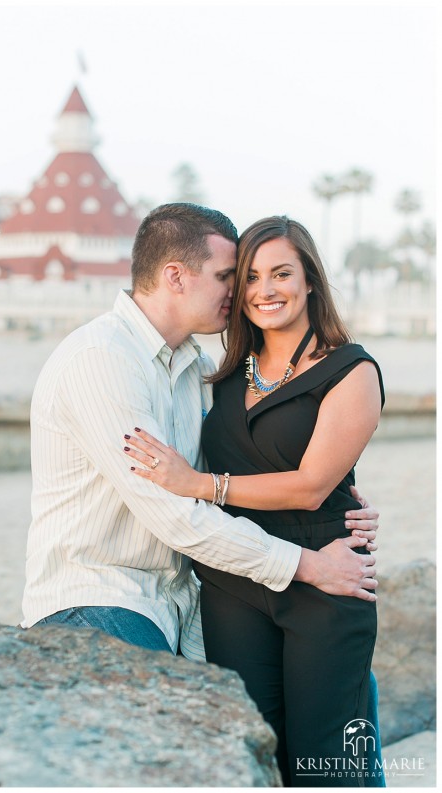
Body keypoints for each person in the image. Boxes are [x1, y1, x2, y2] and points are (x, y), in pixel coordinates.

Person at [22, 203, 380, 774]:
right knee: (199, 757)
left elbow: (246, 466)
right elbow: (176, 514)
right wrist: (308, 564)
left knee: (335, 734)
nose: (241, 293)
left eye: (270, 274)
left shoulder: (192, 366)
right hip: (100, 597)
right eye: (230, 277)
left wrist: (337, 496)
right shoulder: (102, 360)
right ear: (175, 276)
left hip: (178, 602)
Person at [123, 214, 385, 787]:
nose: (266, 290)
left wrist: (200, 484)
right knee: (253, 755)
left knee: (324, 761)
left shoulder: (351, 370)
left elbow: (312, 485)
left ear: (310, 280)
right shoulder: (219, 376)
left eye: (281, 274)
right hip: (235, 581)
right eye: (250, 277)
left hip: (326, 576)